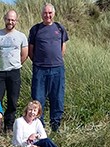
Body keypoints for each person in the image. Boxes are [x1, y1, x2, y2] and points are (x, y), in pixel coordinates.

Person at [29, 3, 69, 133]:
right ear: (42, 14)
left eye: (50, 13)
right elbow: (31, 50)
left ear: (54, 14)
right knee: (38, 99)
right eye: (45, 13)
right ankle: (39, 129)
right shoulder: (35, 29)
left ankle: (55, 126)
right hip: (40, 70)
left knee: (57, 98)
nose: (47, 15)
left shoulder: (60, 28)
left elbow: (63, 47)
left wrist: (56, 60)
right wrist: (38, 63)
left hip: (57, 69)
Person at [0, 10, 28, 132]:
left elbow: (24, 54)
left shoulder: (21, 36)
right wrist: (1, 63)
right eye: (8, 19)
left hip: (14, 72)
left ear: (16, 21)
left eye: (13, 20)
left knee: (13, 101)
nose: (10, 22)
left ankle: (9, 127)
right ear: (4, 19)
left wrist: (14, 64)